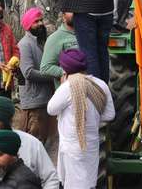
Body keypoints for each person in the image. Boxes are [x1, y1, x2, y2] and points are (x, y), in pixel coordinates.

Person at [47, 49, 115, 188]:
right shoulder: (100, 84)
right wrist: (93, 118)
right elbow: (109, 115)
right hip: (92, 144)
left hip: (72, 147)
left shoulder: (67, 87)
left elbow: (51, 110)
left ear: (65, 69)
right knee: (89, 182)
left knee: (73, 184)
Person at [17, 8, 56, 143]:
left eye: (41, 20)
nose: (40, 24)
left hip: (44, 101)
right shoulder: (24, 45)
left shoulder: (40, 42)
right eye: (36, 21)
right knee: (33, 143)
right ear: (28, 25)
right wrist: (53, 75)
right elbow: (28, 72)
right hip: (34, 104)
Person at [39, 12, 79, 87]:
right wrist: (66, 71)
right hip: (69, 92)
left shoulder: (87, 34)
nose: (75, 13)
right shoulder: (55, 38)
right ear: (63, 16)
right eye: (70, 11)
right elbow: (45, 68)